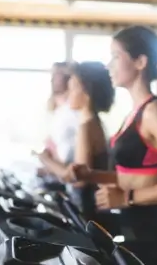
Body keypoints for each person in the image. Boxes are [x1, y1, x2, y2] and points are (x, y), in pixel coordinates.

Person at [68, 25, 157, 241]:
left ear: (140, 62)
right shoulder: (136, 112)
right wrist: (90, 175)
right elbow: (135, 177)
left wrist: (128, 198)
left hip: (155, 231)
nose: (108, 65)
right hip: (136, 226)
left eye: (115, 57)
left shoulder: (154, 111)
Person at [36, 61, 115, 218]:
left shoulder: (86, 126)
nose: (68, 94)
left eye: (72, 89)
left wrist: (46, 160)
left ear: (86, 93)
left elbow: (79, 178)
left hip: (88, 211)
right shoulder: (91, 122)